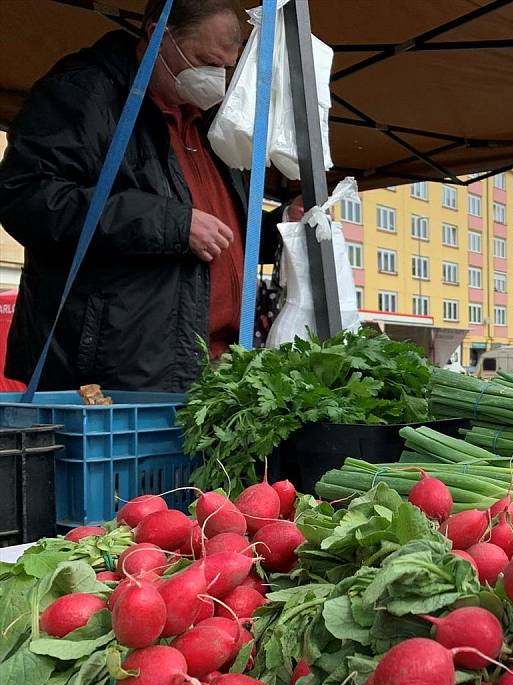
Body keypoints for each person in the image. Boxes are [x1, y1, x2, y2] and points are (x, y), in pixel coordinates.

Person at [0, 0, 301, 392]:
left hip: (209, 364)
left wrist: (281, 227)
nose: (215, 78)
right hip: (117, 372)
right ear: (159, 34)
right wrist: (173, 223)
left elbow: (223, 230)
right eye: (203, 60)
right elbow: (27, 197)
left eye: (226, 67)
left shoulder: (210, 123)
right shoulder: (84, 93)